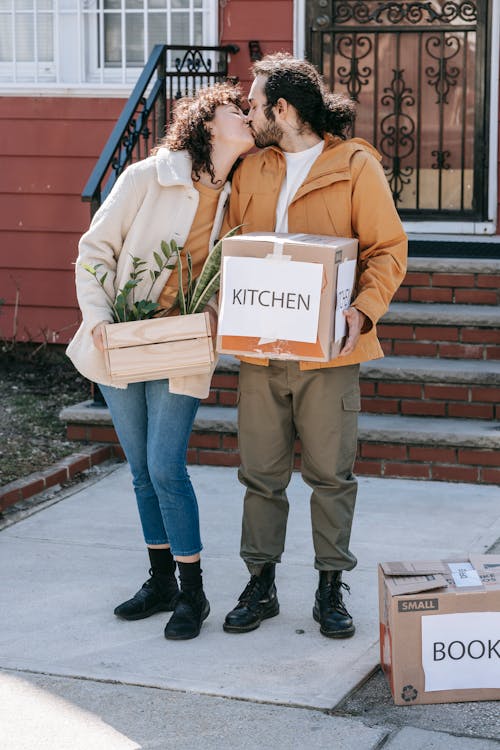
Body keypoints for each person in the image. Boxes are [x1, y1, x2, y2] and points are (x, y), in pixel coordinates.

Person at [222, 53, 408, 638]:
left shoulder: (354, 166)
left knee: (331, 475)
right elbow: (230, 245)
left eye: (253, 104)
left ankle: (331, 585)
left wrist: (364, 310)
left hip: (330, 355)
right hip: (260, 351)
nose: (247, 114)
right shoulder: (251, 171)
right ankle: (262, 583)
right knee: (260, 475)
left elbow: (387, 250)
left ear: (282, 108)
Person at [67, 83, 254, 640]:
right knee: (143, 471)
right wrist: (97, 316)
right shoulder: (148, 177)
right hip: (123, 336)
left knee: (167, 465)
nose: (246, 115)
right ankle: (160, 582)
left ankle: (193, 593)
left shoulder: (240, 193)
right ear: (206, 124)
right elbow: (94, 250)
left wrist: (218, 312)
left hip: (184, 342)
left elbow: (235, 267)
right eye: (234, 110)